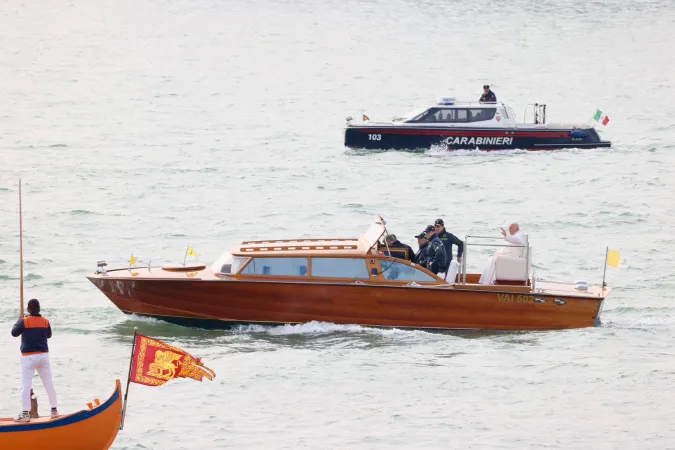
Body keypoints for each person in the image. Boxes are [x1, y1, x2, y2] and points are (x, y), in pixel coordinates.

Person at [12, 299, 58, 422]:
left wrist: (19, 320)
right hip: (43, 355)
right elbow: (48, 335)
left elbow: (14, 333)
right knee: (48, 383)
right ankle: (54, 410)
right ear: (39, 309)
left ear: (28, 309)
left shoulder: (24, 321)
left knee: (26, 385)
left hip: (28, 356)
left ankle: (25, 413)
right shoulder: (45, 321)